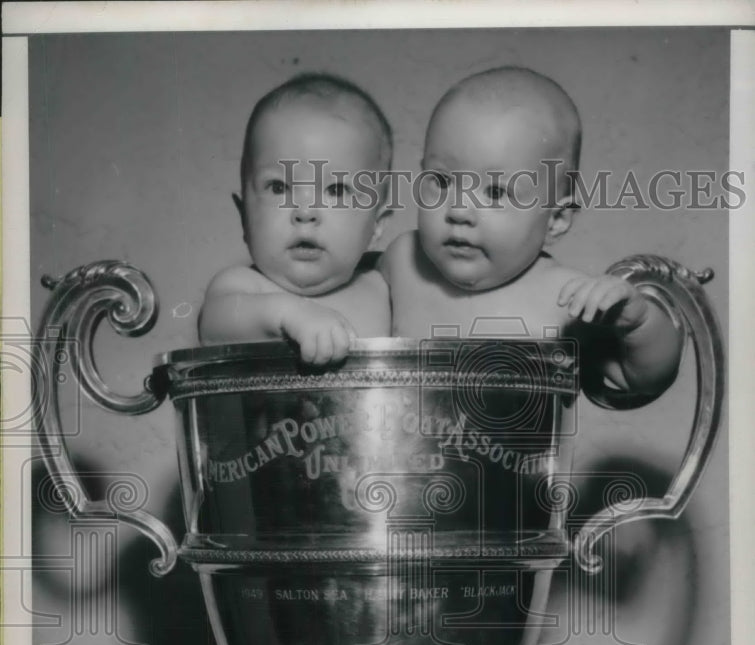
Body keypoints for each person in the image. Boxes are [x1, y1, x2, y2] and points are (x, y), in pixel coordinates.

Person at [380, 67, 683, 404]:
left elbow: (644, 377)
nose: (458, 211)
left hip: (519, 458)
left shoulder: (565, 299)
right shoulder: (401, 262)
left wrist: (638, 323)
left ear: (555, 220)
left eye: (495, 192)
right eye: (442, 181)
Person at [199, 73, 392, 365]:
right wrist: (288, 314)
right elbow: (213, 326)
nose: (305, 212)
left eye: (336, 190)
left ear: (377, 224)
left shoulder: (380, 287)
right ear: (243, 216)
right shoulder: (241, 288)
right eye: (279, 188)